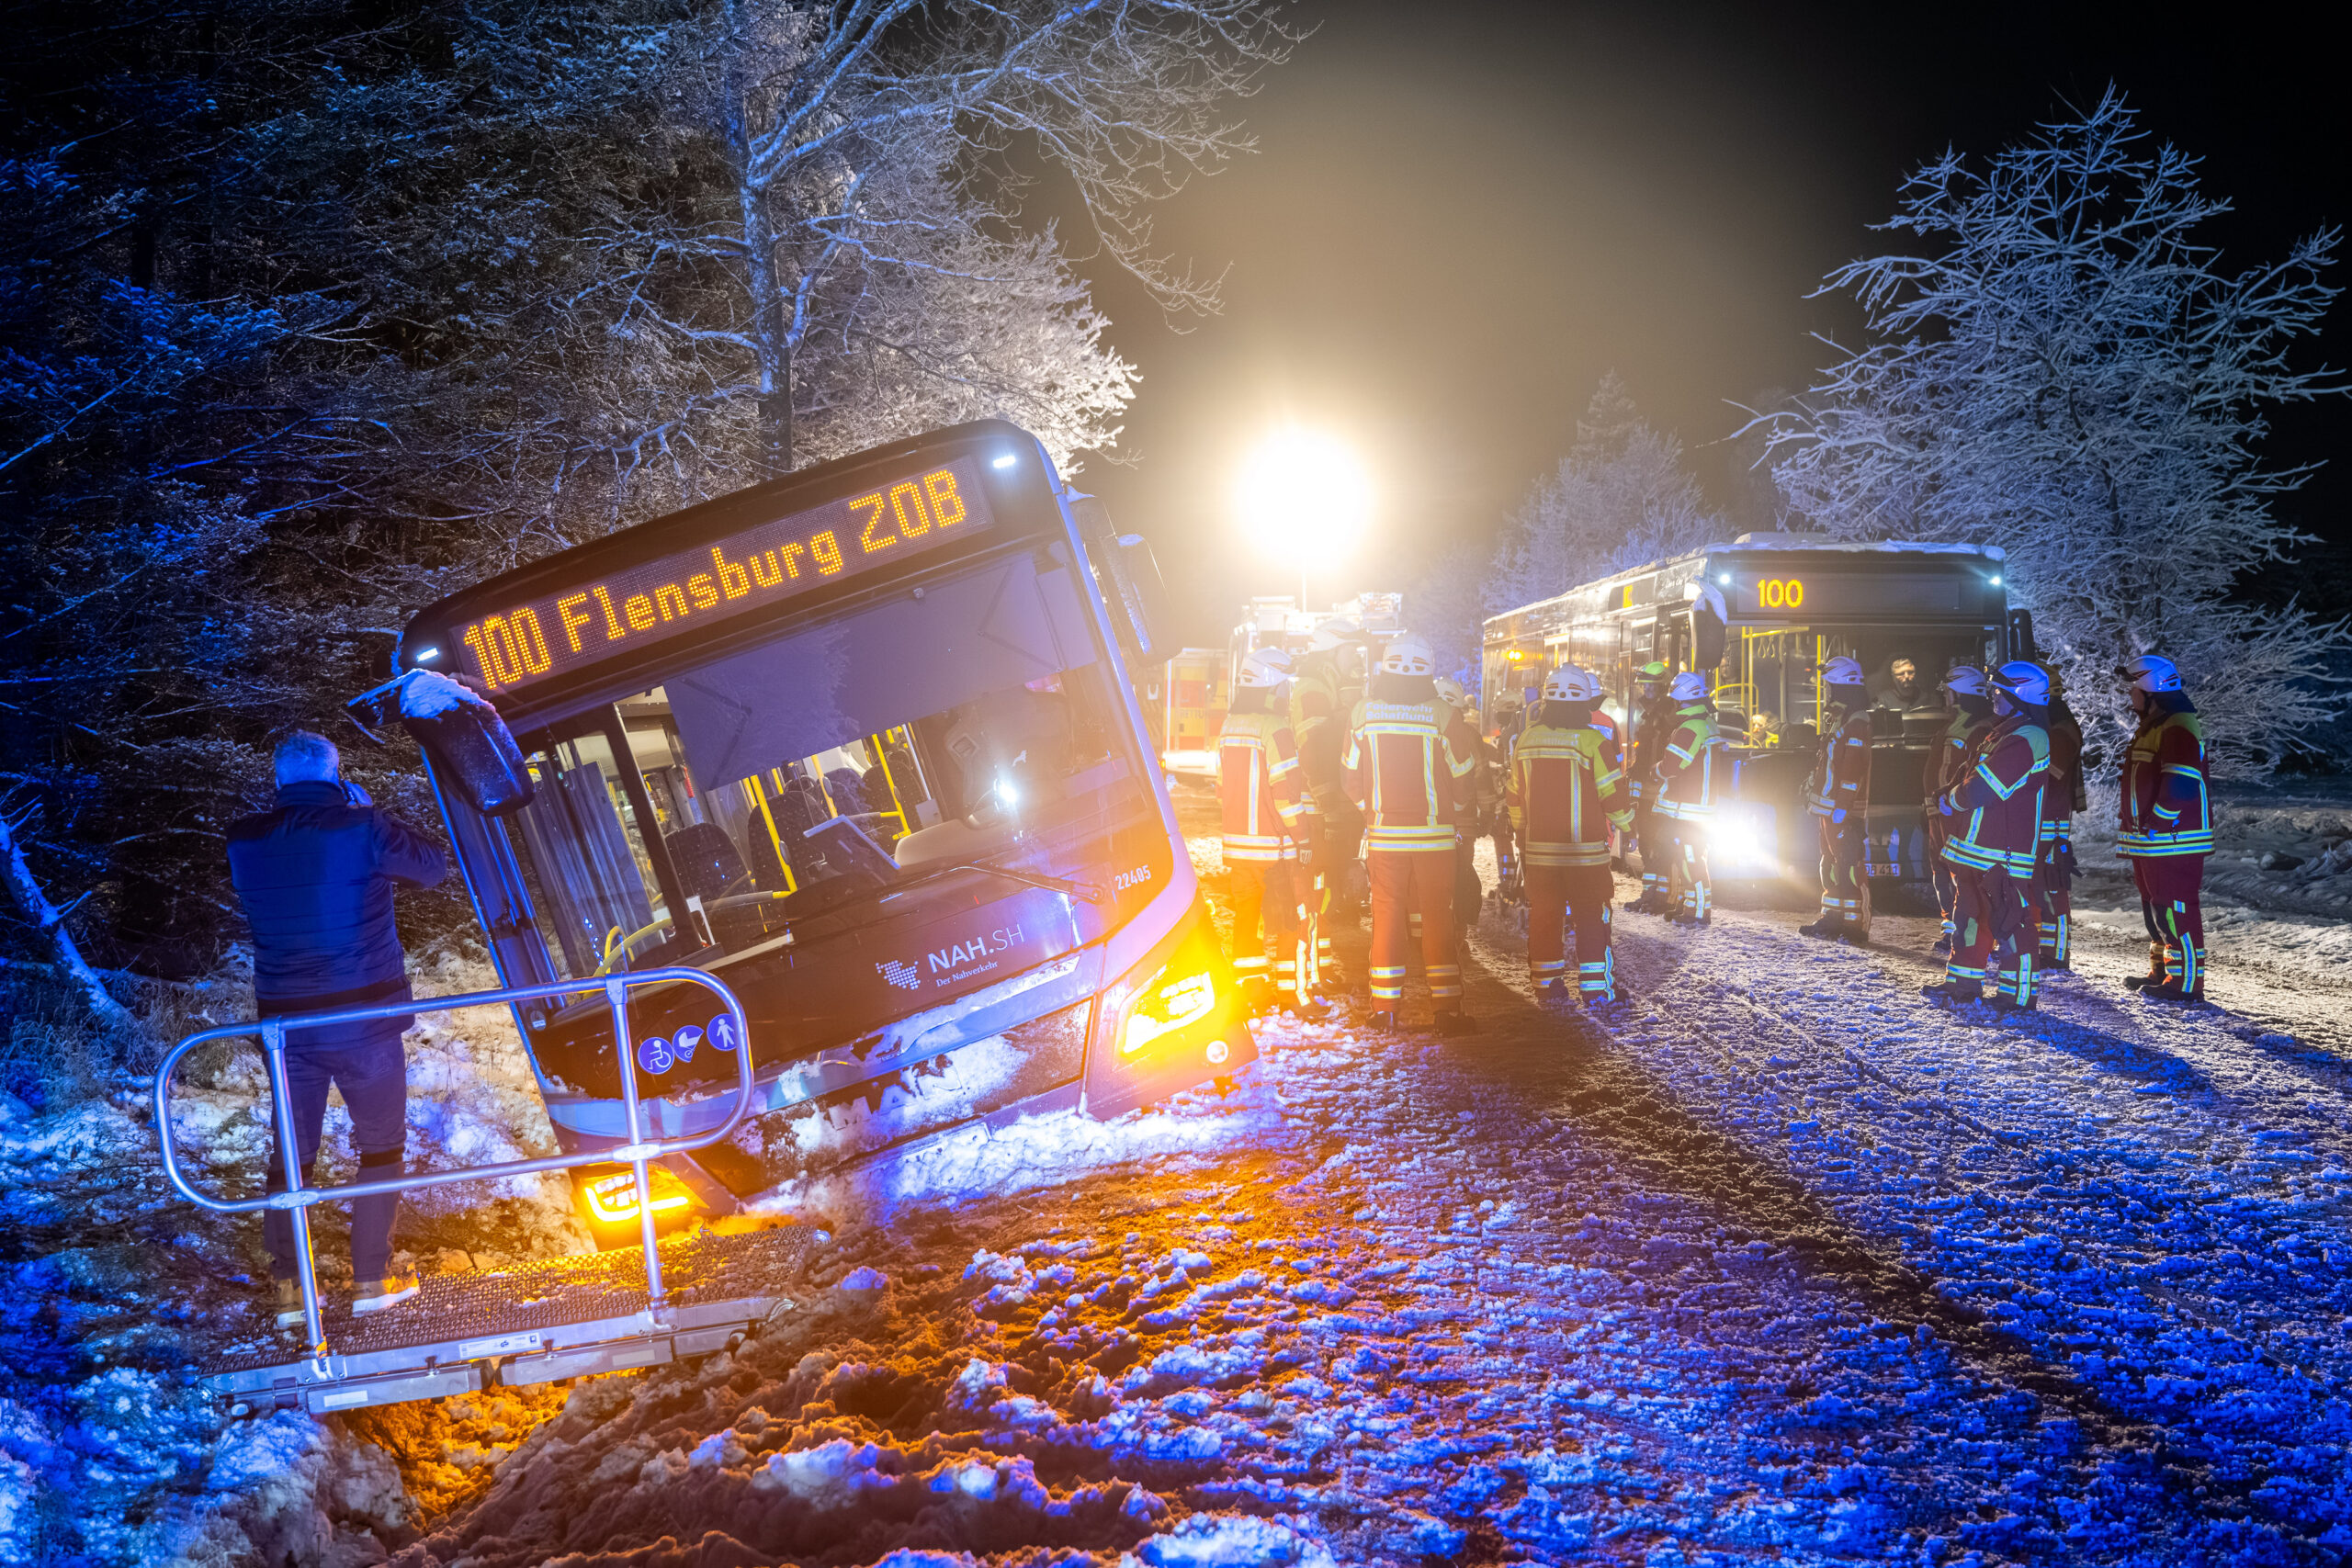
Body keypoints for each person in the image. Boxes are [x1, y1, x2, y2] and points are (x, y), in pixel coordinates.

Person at [226, 721, 450, 1327]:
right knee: (381, 1146)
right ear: (337, 774)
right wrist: (372, 812)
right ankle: (374, 1276)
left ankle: (290, 1289)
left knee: (291, 1156)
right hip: (364, 1020)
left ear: (276, 780)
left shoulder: (242, 842)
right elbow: (434, 866)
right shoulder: (363, 828)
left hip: (287, 1032)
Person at [1342, 633, 1478, 1032]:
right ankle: (1447, 1011)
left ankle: (1384, 1010)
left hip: (1384, 837)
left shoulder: (1362, 713)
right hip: (1435, 838)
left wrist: (1374, 814)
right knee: (1438, 917)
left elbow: (1349, 780)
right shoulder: (1442, 714)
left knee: (1386, 918)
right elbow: (1463, 776)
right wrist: (1451, 813)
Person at [1921, 661, 2051, 1010]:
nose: (1992, 696)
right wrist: (1949, 794)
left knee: (2010, 922)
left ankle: (2018, 995)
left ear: (2018, 693)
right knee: (1968, 919)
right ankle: (1962, 985)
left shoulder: (2029, 737)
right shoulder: (2004, 732)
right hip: (1977, 849)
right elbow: (1968, 774)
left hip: (2003, 853)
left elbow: (1984, 788)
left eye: (1999, 690)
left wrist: (1953, 799)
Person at [1506, 665, 1634, 1010]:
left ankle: (1547, 985)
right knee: (1592, 917)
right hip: (1585, 855)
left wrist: (1522, 833)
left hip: (1540, 852)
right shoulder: (1594, 741)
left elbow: (1514, 795)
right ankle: (1596, 991)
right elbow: (1613, 795)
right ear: (1585, 702)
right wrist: (1628, 823)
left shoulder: (1527, 740)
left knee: (1545, 916)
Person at [1216, 649, 1322, 1018]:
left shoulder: (1229, 727)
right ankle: (1293, 995)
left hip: (1238, 847)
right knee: (1292, 920)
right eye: (1282, 686)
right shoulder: (1275, 729)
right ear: (1268, 686)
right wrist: (1303, 837)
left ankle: (1252, 993)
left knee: (1246, 919)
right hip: (1276, 849)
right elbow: (1286, 792)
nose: (1286, 694)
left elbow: (1221, 786)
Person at [2116, 655, 2213, 1003]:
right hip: (2154, 840)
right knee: (2156, 907)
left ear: (2150, 689)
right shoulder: (2158, 725)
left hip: (2172, 839)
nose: (2129, 694)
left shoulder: (2178, 724)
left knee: (2175, 908)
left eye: (2133, 686)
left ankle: (2185, 983)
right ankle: (2163, 971)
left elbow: (2182, 781)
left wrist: (2157, 821)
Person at [1289, 616, 1368, 920]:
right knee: (1323, 872)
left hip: (1330, 800)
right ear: (1332, 653)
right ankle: (1327, 924)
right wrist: (1330, 805)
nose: (1355, 658)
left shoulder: (1325, 686)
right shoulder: (1313, 690)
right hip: (1320, 805)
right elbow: (1314, 752)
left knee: (1336, 868)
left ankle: (1336, 915)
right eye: (1350, 651)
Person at [1799, 657, 1873, 944]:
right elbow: (1829, 764)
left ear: (1842, 687)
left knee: (1850, 866)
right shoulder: (1841, 719)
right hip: (1829, 808)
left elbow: (1852, 771)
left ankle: (1854, 927)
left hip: (1843, 811)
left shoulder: (1857, 723)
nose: (1826, 690)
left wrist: (1843, 807)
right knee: (1831, 864)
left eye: (1830, 685)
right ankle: (1832, 919)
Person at [1925, 666, 1995, 956]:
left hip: (1957, 814)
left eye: (1950, 692)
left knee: (1959, 874)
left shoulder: (1981, 729)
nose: (1946, 697)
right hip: (1940, 812)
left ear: (1963, 694)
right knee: (1942, 871)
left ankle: (1969, 932)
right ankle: (1953, 929)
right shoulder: (1956, 724)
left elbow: (1971, 777)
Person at [1649, 671, 1723, 926]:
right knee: (1688, 858)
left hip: (1689, 808)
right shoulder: (1705, 724)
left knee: (1691, 860)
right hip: (1698, 807)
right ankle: (1690, 907)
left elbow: (1672, 766)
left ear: (1679, 701)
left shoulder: (1689, 728)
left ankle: (1700, 912)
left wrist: (1655, 771)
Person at [2036, 664, 2087, 970]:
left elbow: (2048, 776)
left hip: (2051, 824)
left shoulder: (2062, 729)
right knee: (2038, 886)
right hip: (2040, 821)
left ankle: (2056, 954)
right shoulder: (2051, 724)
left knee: (2053, 887)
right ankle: (2044, 949)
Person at [1434, 676, 1492, 942]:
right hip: (1463, 824)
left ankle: (1430, 934)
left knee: (1430, 878)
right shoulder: (1469, 736)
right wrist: (1488, 813)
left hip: (1428, 823)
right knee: (1460, 874)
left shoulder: (1418, 729)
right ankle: (1457, 936)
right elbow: (1480, 778)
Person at [1625, 661, 1675, 912]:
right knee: (1646, 843)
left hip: (1660, 791)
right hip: (1646, 788)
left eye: (1651, 686)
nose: (1646, 690)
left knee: (1658, 846)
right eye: (1644, 685)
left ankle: (1660, 898)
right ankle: (1650, 894)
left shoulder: (1668, 714)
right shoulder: (1645, 712)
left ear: (1663, 687)